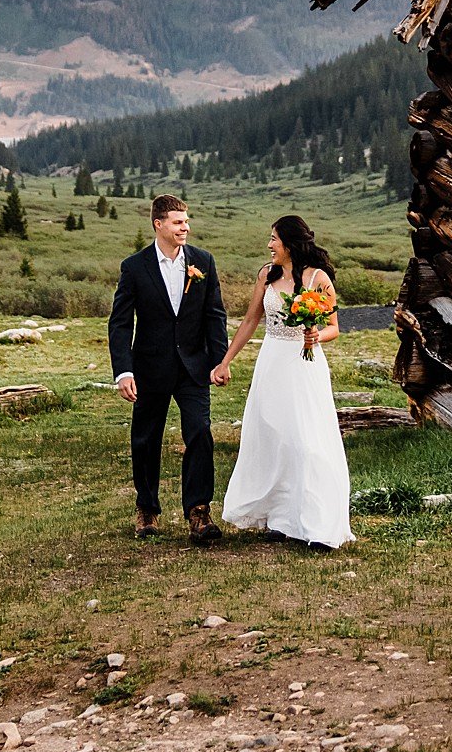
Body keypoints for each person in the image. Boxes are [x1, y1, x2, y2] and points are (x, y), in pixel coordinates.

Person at [214, 214, 353, 549]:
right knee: (273, 437)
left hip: (304, 366)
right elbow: (250, 320)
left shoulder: (318, 278)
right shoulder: (267, 274)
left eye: (274, 238)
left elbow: (334, 326)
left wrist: (316, 336)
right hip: (272, 361)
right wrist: (225, 360)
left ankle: (318, 523)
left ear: (290, 243)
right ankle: (279, 517)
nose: (269, 245)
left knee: (306, 440)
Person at [108, 194, 230, 542]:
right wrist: (124, 371)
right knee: (146, 439)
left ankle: (198, 512)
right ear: (158, 224)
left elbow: (215, 316)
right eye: (178, 222)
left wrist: (219, 361)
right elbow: (119, 323)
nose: (185, 227)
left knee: (200, 433)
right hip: (149, 368)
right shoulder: (134, 267)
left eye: (186, 221)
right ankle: (147, 509)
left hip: (194, 368)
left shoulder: (203, 261)